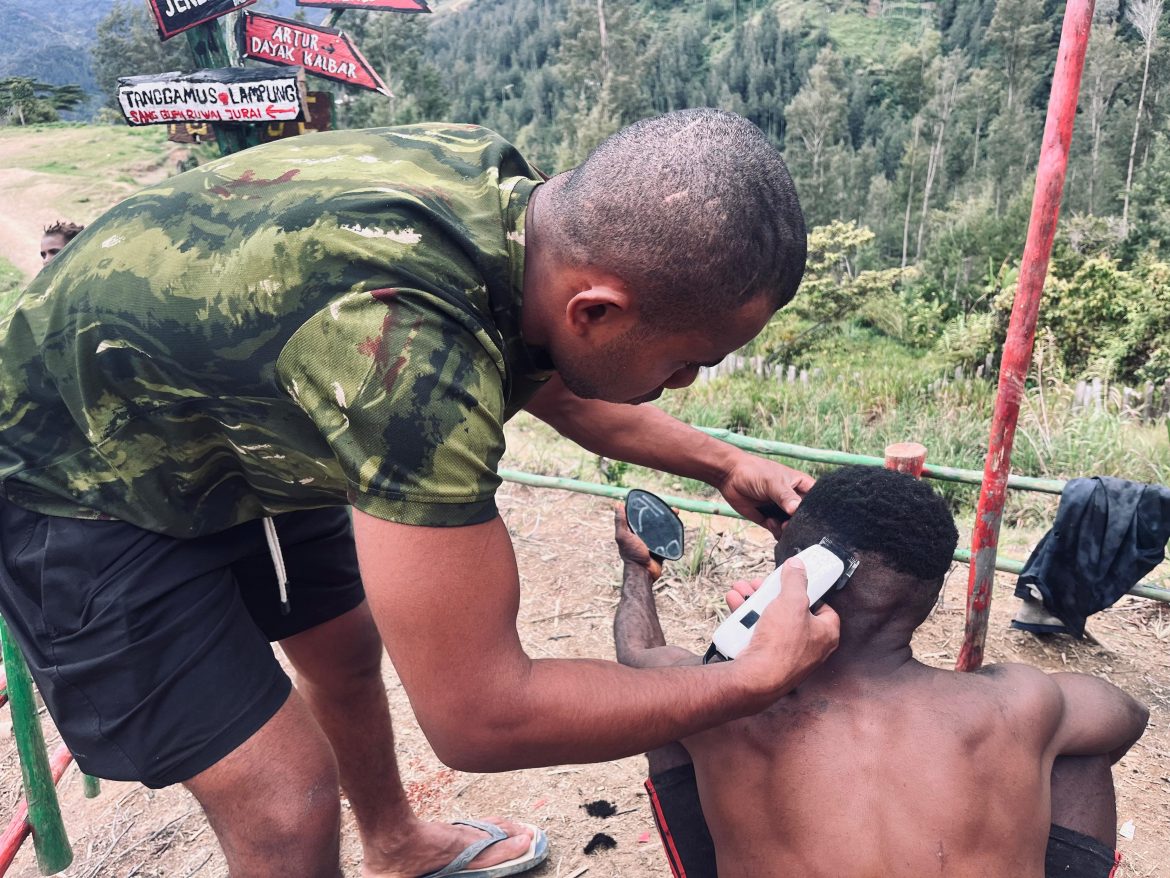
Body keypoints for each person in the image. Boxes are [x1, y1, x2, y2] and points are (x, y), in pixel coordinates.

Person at [0, 109, 841, 877]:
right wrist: (745, 683)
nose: (689, 382)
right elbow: (480, 717)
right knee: (287, 804)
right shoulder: (406, 369)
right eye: (686, 360)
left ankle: (394, 842)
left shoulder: (512, 206)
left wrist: (724, 465)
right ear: (595, 309)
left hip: (238, 409)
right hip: (76, 472)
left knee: (343, 647)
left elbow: (551, 371)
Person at [615, 465, 1149, 878]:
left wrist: (637, 564)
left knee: (668, 721)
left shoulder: (721, 708)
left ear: (795, 576)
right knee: (1075, 749)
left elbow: (636, 653)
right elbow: (1129, 714)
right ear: (932, 595)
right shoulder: (1020, 704)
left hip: (724, 712)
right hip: (1014, 716)